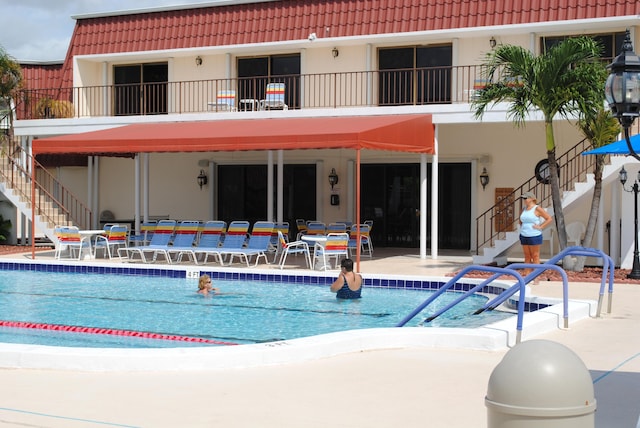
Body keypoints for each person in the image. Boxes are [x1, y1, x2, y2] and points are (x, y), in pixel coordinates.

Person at [519, 191, 552, 283]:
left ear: (532, 199)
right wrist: (523, 227)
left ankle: (536, 277)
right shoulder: (523, 209)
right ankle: (527, 276)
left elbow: (549, 218)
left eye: (526, 198)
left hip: (534, 235)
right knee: (527, 256)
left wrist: (540, 226)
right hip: (524, 235)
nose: (524, 200)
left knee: (535, 256)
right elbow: (521, 220)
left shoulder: (537, 209)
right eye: (524, 198)